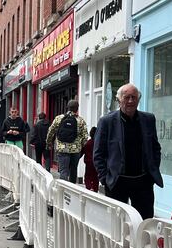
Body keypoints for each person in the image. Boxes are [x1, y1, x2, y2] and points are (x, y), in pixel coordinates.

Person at [93, 84, 163, 219]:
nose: (130, 101)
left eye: (134, 97)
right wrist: (105, 179)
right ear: (119, 100)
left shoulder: (148, 119)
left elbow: (155, 147)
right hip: (117, 181)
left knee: (145, 222)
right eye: (126, 97)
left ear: (138, 99)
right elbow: (98, 153)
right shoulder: (107, 121)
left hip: (143, 181)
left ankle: (139, 241)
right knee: (117, 224)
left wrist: (151, 173)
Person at [46, 100, 88, 183]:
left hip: (62, 148)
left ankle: (63, 191)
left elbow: (51, 131)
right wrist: (81, 146)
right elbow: (85, 137)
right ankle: (72, 190)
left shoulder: (59, 118)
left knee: (63, 171)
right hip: (75, 150)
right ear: (77, 109)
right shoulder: (80, 121)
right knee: (73, 170)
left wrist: (48, 143)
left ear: (67, 108)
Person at [82, 127, 99, 193]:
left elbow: (83, 151)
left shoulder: (88, 143)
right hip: (96, 162)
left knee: (88, 176)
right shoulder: (98, 143)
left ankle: (89, 188)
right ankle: (95, 189)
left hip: (89, 162)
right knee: (95, 176)